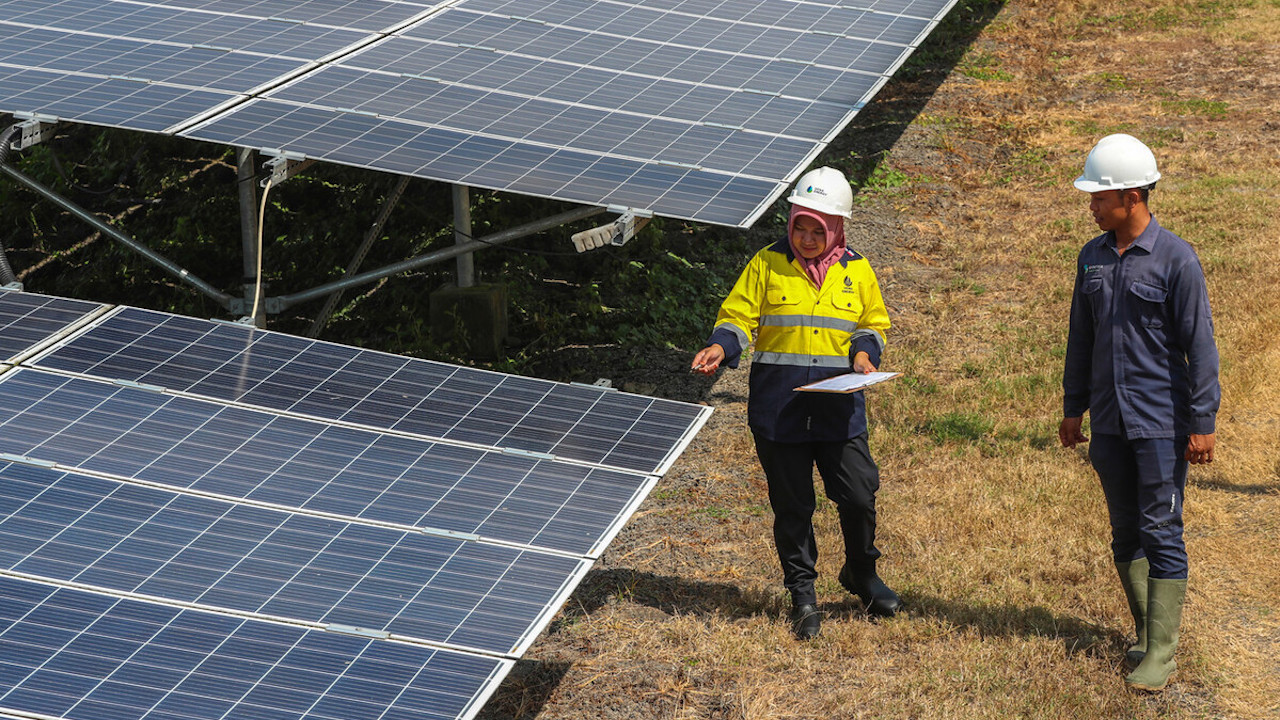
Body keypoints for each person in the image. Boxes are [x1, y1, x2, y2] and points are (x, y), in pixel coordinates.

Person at [692, 166, 902, 640]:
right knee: (793, 506)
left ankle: (861, 574)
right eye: (800, 226)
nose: (808, 238)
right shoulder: (766, 264)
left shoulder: (858, 269)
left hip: (838, 411)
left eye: (818, 229)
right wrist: (721, 346)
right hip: (778, 414)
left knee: (858, 494)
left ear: (838, 228)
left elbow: (872, 323)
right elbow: (738, 316)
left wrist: (866, 353)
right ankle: (802, 595)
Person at [1058, 134, 1220, 692]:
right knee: (1125, 532)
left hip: (1161, 423)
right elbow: (1081, 338)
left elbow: (1200, 346)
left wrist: (1202, 422)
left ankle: (1163, 654)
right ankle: (1148, 635)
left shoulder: (1176, 258)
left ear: (1130, 197)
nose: (1091, 207)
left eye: (1099, 198)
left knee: (1160, 529)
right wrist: (1072, 407)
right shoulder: (1091, 258)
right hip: (1108, 421)